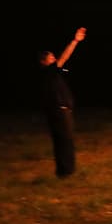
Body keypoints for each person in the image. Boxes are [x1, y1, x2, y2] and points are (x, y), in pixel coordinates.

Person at [39, 28, 86, 177]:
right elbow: (64, 57)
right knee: (64, 141)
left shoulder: (51, 75)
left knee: (65, 140)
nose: (54, 60)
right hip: (59, 111)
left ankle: (66, 171)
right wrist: (75, 41)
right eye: (51, 58)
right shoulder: (48, 72)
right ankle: (65, 172)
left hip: (61, 111)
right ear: (44, 62)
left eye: (53, 57)